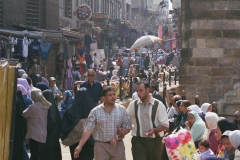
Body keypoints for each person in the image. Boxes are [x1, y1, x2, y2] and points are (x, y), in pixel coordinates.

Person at [74, 86, 132, 160]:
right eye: (110, 95)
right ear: (104, 98)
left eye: (114, 94)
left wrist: (121, 133)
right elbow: (88, 129)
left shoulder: (122, 110)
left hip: (118, 145)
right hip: (101, 146)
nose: (113, 97)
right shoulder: (95, 111)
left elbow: (128, 127)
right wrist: (80, 145)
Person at [127, 82, 169, 160]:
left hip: (155, 141)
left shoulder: (159, 105)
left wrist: (154, 130)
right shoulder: (133, 105)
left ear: (147, 90)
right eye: (137, 91)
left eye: (141, 90)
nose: (138, 93)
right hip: (138, 140)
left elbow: (165, 125)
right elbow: (127, 121)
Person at [22, 88, 51, 160]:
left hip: (34, 135)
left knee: (34, 155)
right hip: (43, 134)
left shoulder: (33, 107)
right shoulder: (45, 106)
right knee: (39, 155)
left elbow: (24, 114)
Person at [42, 90, 62, 160]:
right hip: (55, 139)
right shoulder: (55, 108)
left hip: (48, 140)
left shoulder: (46, 108)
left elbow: (51, 122)